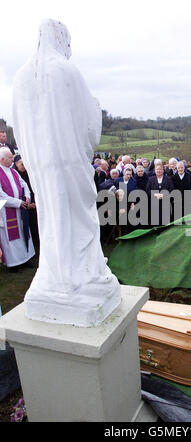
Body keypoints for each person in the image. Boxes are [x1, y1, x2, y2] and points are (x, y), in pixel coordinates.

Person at [12, 19, 120, 324]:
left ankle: (55, 276)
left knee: (53, 221)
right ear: (61, 40)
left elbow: (19, 126)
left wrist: (34, 157)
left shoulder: (20, 77)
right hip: (68, 163)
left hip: (41, 166)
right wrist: (96, 107)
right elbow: (88, 129)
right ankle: (81, 277)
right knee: (79, 218)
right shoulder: (66, 70)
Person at [0, 147, 35, 269]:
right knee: (12, 238)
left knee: (23, 231)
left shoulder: (13, 171)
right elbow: (1, 196)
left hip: (20, 209)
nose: (12, 159)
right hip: (7, 211)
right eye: (10, 157)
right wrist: (18, 202)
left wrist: (26, 197)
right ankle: (15, 263)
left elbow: (23, 184)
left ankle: (26, 258)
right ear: (3, 159)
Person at [12, 155, 40, 252]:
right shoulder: (14, 174)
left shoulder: (30, 173)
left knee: (36, 222)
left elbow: (35, 188)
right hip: (22, 203)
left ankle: (38, 243)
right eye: (22, 164)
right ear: (16, 164)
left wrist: (34, 202)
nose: (24, 167)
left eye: (25, 164)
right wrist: (28, 203)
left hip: (34, 202)